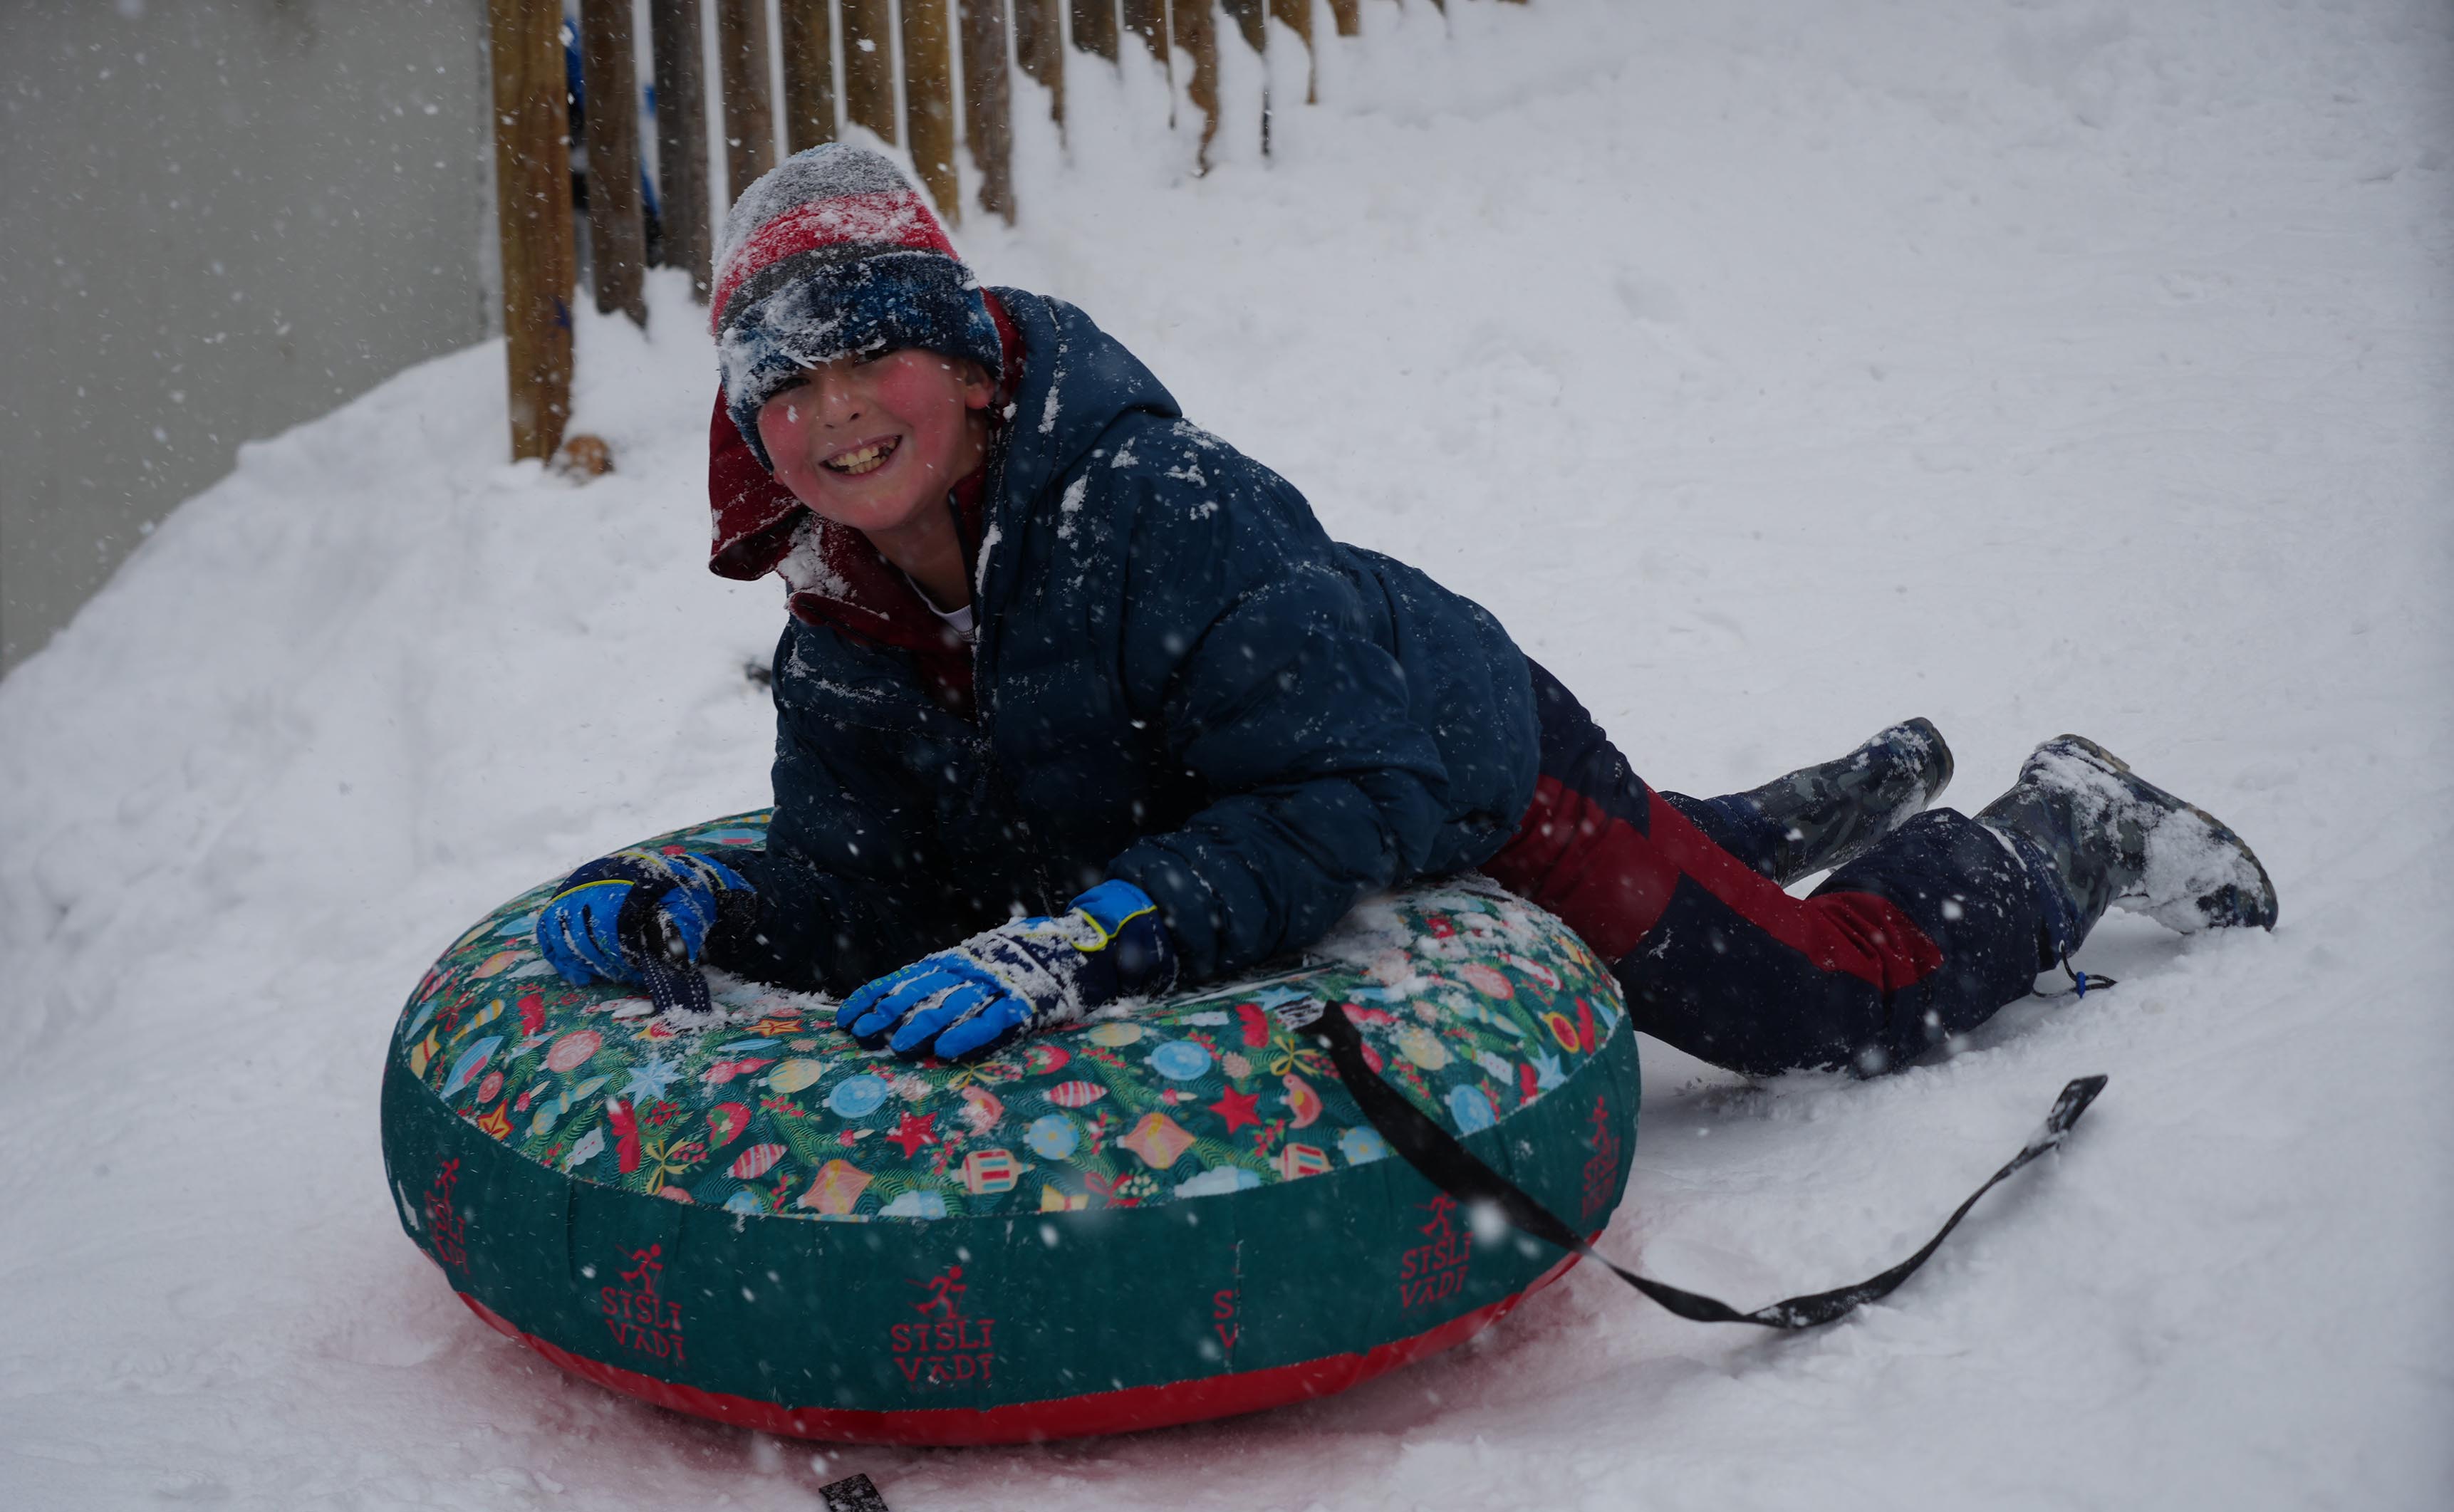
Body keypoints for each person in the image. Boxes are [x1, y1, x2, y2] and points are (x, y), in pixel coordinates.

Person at [537, 145, 2276, 1078]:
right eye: (786, 383)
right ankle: (1804, 804)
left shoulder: (1157, 505)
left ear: (974, 364)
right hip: (1259, 813)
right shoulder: (840, 616)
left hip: (1455, 765)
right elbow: (877, 887)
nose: (834, 413)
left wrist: (1093, 935)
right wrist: (715, 904)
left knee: (1813, 1008)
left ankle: (2065, 829)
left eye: (872, 353)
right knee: (1708, 855)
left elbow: (1346, 795)